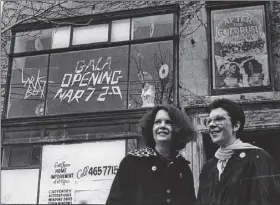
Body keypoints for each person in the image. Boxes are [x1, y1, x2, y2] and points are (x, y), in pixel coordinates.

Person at [106, 105, 196, 205]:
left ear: (177, 129)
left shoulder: (183, 168)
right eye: (157, 122)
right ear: (151, 128)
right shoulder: (132, 162)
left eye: (168, 122)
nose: (162, 126)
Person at [196, 98, 280, 205]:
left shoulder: (256, 158)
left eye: (219, 119)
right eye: (208, 121)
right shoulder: (208, 168)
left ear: (236, 126)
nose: (211, 125)